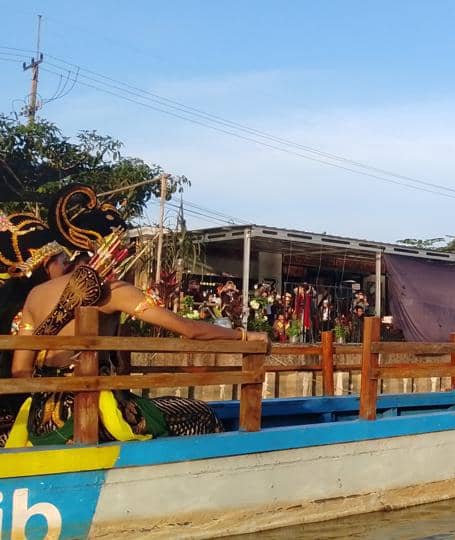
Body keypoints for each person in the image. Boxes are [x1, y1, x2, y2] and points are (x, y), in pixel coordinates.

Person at [3, 185, 268, 447]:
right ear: (108, 250)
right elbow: (189, 330)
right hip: (93, 415)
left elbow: (20, 370)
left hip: (41, 420)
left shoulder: (35, 294)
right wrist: (244, 335)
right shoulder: (113, 290)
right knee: (200, 414)